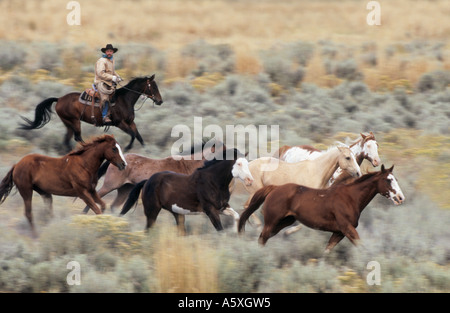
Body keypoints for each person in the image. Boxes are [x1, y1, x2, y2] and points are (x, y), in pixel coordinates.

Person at [94, 44, 122, 124]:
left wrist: (117, 76)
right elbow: (100, 73)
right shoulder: (102, 61)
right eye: (108, 51)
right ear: (105, 52)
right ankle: (104, 116)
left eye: (111, 51)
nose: (109, 52)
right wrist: (112, 78)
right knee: (105, 97)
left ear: (113, 52)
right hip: (100, 81)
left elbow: (112, 72)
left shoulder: (111, 60)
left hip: (108, 82)